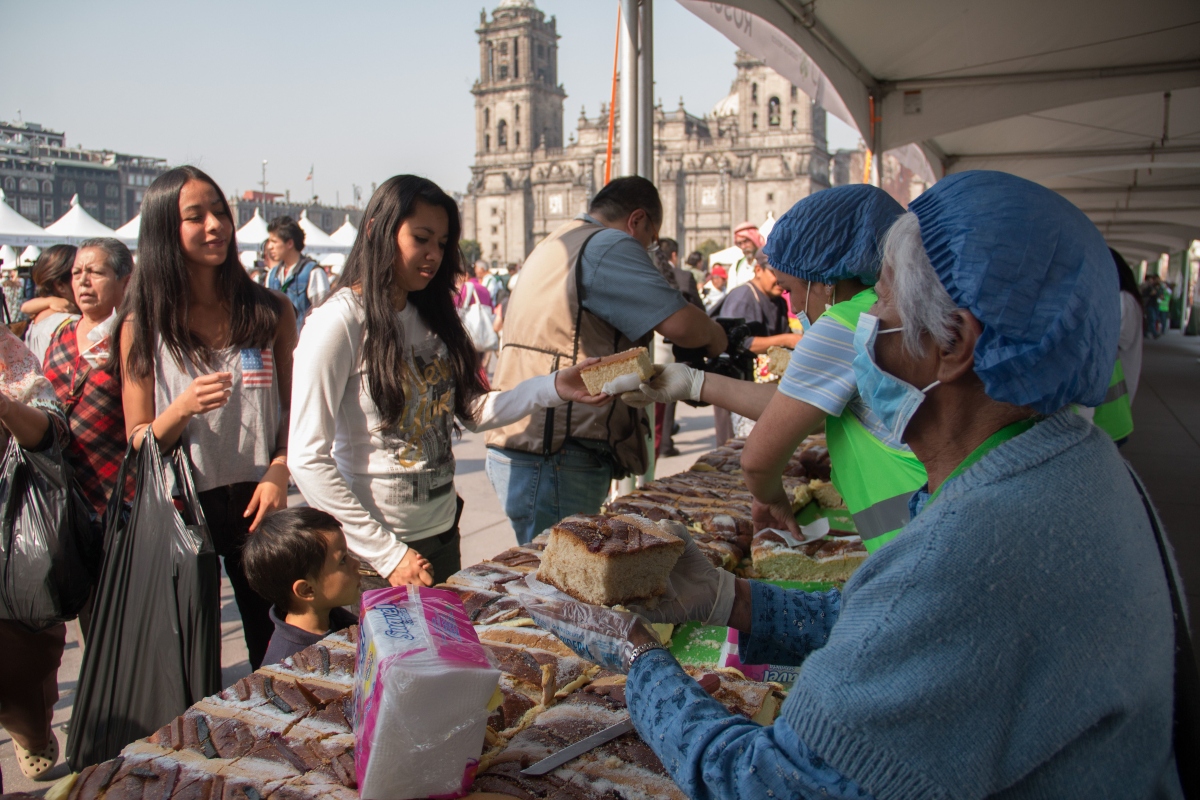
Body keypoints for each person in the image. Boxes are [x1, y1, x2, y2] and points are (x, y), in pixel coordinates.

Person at [527, 170, 1184, 799]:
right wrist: (731, 599)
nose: (863, 332)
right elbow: (887, 626)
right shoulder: (1063, 458)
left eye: (885, 311)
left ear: (954, 344)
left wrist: (638, 662)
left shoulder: (981, 543)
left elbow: (772, 784)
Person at [288, 175, 611, 588]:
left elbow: (471, 410)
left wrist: (554, 388)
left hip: (441, 533)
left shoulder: (432, 316)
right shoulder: (339, 323)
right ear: (376, 230)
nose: (433, 255)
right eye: (421, 238)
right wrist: (387, 554)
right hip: (377, 554)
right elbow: (307, 458)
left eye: (442, 243)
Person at [631, 186, 926, 552]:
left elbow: (757, 460)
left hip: (913, 526)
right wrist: (695, 383)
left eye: (789, 288)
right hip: (930, 509)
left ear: (826, 281)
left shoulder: (845, 324)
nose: (792, 302)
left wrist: (769, 496)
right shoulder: (892, 308)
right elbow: (805, 408)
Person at [116, 165, 297, 671]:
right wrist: (181, 407)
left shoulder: (271, 311)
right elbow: (138, 439)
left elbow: (294, 411)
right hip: (182, 506)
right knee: (191, 657)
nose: (215, 225)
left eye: (220, 212)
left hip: (258, 500)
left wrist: (280, 468)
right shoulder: (144, 324)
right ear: (163, 230)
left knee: (275, 643)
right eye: (196, 217)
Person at [484, 176, 727, 545]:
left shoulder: (559, 238)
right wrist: (716, 336)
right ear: (637, 221)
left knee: (547, 575)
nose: (649, 248)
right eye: (652, 238)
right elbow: (681, 325)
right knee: (565, 589)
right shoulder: (608, 244)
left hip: (527, 442)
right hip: (561, 450)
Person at [0, 326, 70, 781]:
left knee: (19, 662)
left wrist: (6, 408)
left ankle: (31, 727)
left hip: (10, 533)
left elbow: (52, 429)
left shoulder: (11, 360)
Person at [42, 238, 132, 522]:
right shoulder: (61, 333)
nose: (83, 282)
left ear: (125, 282)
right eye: (77, 273)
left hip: (117, 502)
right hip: (59, 499)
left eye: (95, 273)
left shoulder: (133, 338)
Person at [242, 508, 361, 666]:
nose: (356, 564)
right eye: (343, 560)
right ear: (306, 590)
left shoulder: (338, 619)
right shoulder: (287, 669)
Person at [266, 215, 330, 332]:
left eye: (274, 241)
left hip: (303, 346)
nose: (270, 246)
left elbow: (324, 316)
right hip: (277, 346)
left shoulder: (313, 273)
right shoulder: (272, 275)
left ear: (290, 243)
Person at [20, 245, 79, 366]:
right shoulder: (73, 324)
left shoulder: (38, 316)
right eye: (78, 274)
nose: (86, 280)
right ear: (60, 285)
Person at [727, 221, 764, 290]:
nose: (743, 246)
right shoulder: (736, 266)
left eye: (746, 241)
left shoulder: (766, 263)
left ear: (754, 240)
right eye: (740, 243)